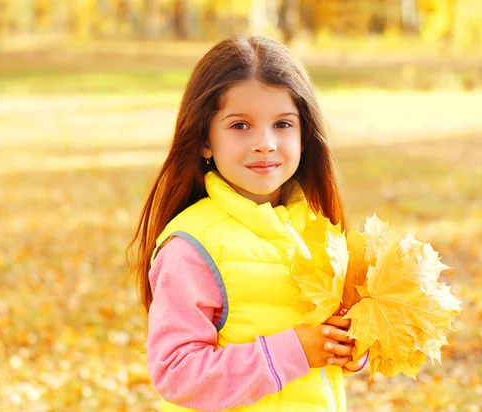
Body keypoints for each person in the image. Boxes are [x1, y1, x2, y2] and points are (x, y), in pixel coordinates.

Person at [128, 35, 369, 412]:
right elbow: (176, 373)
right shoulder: (193, 247)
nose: (265, 143)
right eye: (240, 125)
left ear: (305, 135)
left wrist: (349, 345)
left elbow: (329, 343)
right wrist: (295, 352)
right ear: (205, 140)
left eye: (283, 124)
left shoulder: (319, 229)